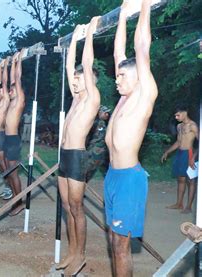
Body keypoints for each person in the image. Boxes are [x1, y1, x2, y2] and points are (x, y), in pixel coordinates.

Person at [105, 1, 158, 275]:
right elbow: (118, 53)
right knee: (114, 242)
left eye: (122, 75)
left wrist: (145, 6)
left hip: (129, 180)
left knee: (122, 246)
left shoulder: (143, 95)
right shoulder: (123, 98)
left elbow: (141, 49)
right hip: (112, 176)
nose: (117, 79)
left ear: (139, 77)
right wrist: (123, 16)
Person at [56, 17, 101, 276]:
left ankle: (80, 256)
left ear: (89, 80)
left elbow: (86, 63)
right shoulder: (76, 98)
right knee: (66, 206)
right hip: (64, 156)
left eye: (79, 77)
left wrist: (90, 35)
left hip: (77, 157)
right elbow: (69, 65)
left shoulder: (91, 99)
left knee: (76, 207)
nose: (74, 79)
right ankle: (72, 252)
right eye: (74, 78)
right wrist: (74, 37)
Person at [161, 105, 199, 213]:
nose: (176, 117)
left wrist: (193, 157)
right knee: (181, 179)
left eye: (178, 115)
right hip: (180, 153)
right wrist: (167, 151)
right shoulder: (179, 126)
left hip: (190, 153)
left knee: (191, 180)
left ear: (185, 112)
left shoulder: (193, 126)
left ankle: (188, 207)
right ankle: (179, 204)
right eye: (175, 116)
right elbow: (178, 142)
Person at [4, 49, 27, 216]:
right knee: (8, 172)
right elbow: (11, 80)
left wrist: (18, 61)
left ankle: (19, 203)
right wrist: (11, 63)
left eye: (13, 89)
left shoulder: (19, 100)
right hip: (7, 139)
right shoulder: (11, 102)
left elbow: (16, 79)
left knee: (13, 172)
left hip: (13, 140)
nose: (10, 91)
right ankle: (14, 197)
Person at [0, 57, 13, 201]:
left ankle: (10, 187)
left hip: (1, 135)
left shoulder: (5, 99)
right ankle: (7, 185)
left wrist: (5, 66)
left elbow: (3, 83)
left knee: (3, 162)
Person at [85, 105, 111, 182]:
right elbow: (101, 138)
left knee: (88, 172)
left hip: (95, 151)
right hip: (96, 152)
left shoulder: (93, 122)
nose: (107, 114)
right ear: (99, 113)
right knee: (88, 171)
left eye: (107, 113)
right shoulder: (101, 123)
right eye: (105, 113)